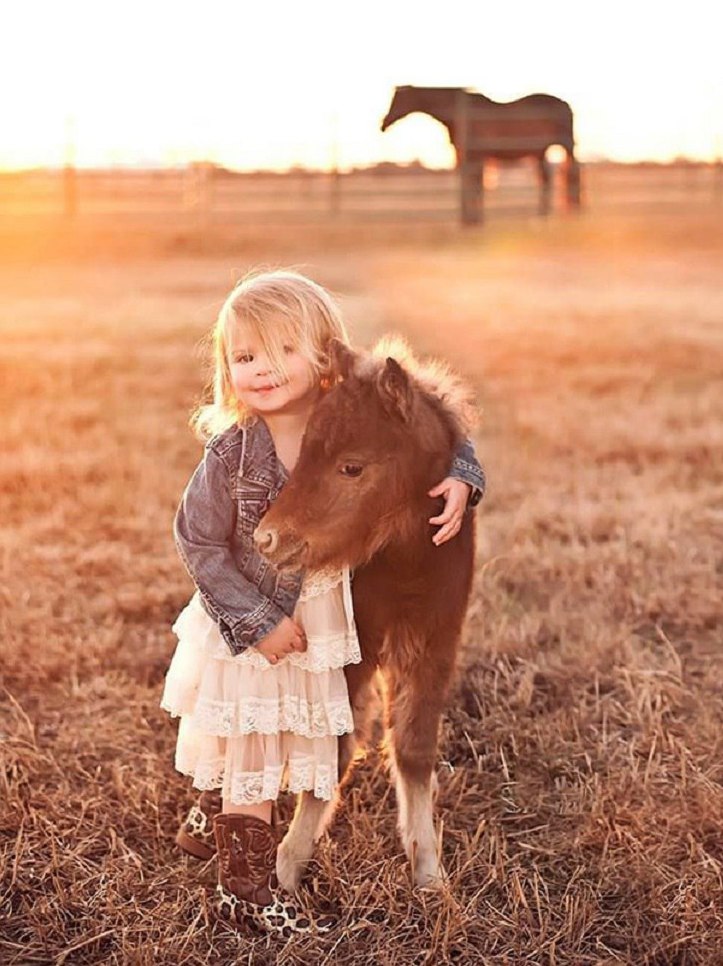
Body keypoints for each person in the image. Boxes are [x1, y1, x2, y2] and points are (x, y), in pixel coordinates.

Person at [160, 269, 486, 936]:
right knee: (249, 727)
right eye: (245, 356)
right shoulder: (235, 449)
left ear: (326, 357)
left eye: (284, 352)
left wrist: (463, 476)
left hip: (315, 606)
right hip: (247, 615)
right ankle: (246, 882)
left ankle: (230, 824)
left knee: (275, 717)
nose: (266, 370)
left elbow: (432, 423)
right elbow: (195, 535)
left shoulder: (344, 406)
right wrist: (252, 620)